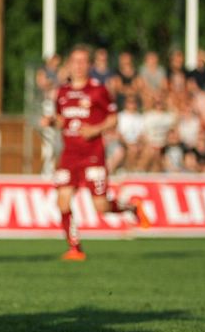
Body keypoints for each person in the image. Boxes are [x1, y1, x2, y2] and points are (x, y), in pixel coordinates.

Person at [41, 46, 149, 261]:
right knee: (63, 201)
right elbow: (63, 119)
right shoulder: (62, 92)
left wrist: (95, 129)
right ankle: (75, 248)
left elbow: (113, 118)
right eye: (75, 61)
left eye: (83, 62)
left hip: (93, 155)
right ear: (69, 64)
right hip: (69, 155)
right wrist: (52, 121)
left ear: (89, 65)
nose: (79, 66)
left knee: (101, 207)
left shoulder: (98, 90)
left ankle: (132, 207)